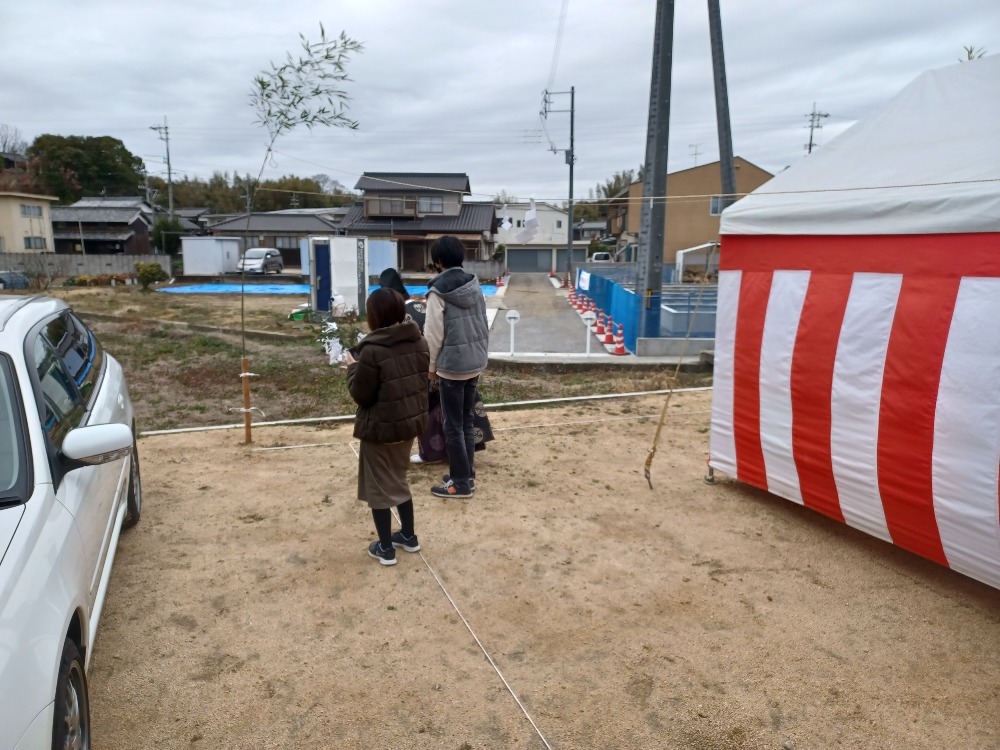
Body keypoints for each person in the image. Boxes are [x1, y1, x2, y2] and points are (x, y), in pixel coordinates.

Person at [346, 287, 429, 566]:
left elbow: (361, 395)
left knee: (379, 488)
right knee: (399, 478)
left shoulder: (370, 350)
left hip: (381, 429)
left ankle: (385, 548)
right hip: (408, 425)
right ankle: (408, 536)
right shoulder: (419, 340)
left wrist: (352, 367)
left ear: (373, 316)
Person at [379, 267, 493, 466]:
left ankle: (434, 454)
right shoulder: (419, 305)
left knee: (430, 411)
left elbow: (428, 339)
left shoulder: (400, 317)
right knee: (462, 414)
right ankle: (464, 455)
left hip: (431, 368)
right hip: (458, 361)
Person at [423, 236, 489, 499]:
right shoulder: (475, 285)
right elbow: (483, 323)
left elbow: (433, 335)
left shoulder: (437, 291)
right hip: (475, 362)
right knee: (466, 419)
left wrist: (430, 366)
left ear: (438, 261)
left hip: (451, 367)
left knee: (453, 425)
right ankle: (466, 473)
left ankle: (460, 483)